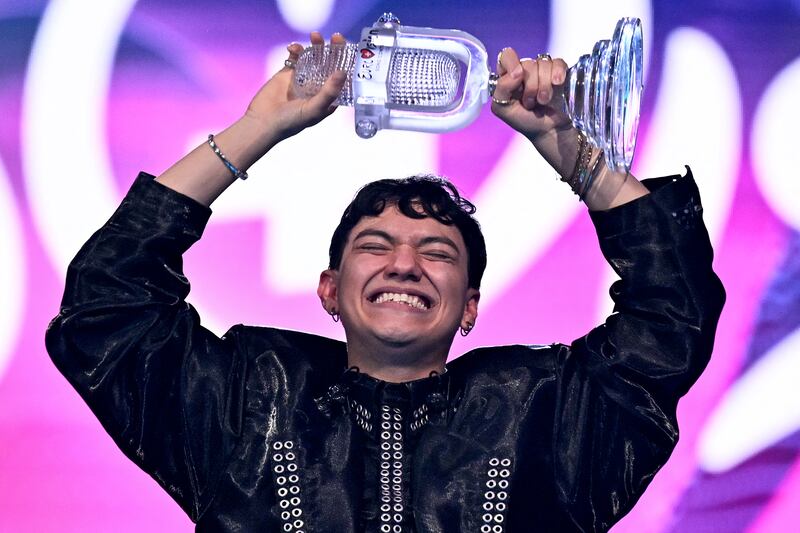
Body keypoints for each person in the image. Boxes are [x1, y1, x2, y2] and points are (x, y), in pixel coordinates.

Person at [46, 32, 725, 532]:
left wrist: (568, 147)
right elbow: (108, 305)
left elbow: (672, 314)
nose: (405, 263)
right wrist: (260, 126)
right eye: (376, 246)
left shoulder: (546, 413)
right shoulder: (245, 400)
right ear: (330, 291)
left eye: (437, 251)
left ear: (469, 307)